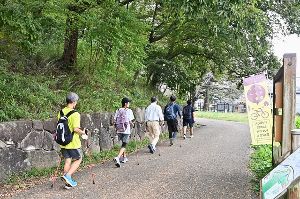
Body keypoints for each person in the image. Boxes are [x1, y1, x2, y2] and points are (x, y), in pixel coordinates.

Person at [59, 92, 88, 188]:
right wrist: (83, 133)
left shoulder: (61, 112)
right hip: (73, 142)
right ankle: (68, 175)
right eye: (76, 101)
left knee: (68, 160)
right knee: (79, 158)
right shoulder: (75, 114)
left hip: (63, 142)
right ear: (74, 102)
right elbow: (75, 129)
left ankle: (68, 182)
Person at [113, 97, 135, 167]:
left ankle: (124, 157)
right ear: (126, 104)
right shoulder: (129, 111)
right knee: (124, 145)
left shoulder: (118, 110)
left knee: (123, 143)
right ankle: (118, 157)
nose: (129, 104)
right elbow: (130, 120)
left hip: (119, 129)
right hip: (126, 130)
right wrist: (132, 124)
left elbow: (114, 120)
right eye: (128, 103)